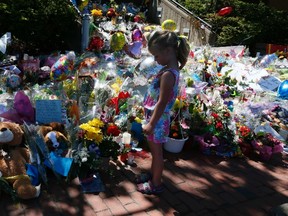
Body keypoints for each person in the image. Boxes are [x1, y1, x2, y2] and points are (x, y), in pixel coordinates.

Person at [136, 30, 190, 194]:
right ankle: (153, 175)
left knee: (157, 154)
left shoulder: (168, 74)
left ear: (168, 51)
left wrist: (151, 123)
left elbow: (162, 101)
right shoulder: (168, 69)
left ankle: (156, 184)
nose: (155, 59)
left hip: (158, 121)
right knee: (155, 151)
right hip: (156, 119)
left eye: (156, 55)